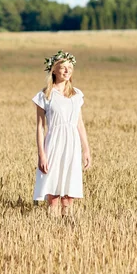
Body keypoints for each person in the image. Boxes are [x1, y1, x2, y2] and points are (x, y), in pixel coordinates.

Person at [31, 50, 91, 218]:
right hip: (54, 143)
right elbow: (40, 127)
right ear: (54, 70)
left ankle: (68, 222)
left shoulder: (77, 95)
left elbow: (79, 123)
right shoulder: (45, 95)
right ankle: (52, 222)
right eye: (63, 67)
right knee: (54, 190)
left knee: (69, 190)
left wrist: (86, 149)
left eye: (70, 68)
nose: (67, 71)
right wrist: (41, 154)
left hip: (72, 144)